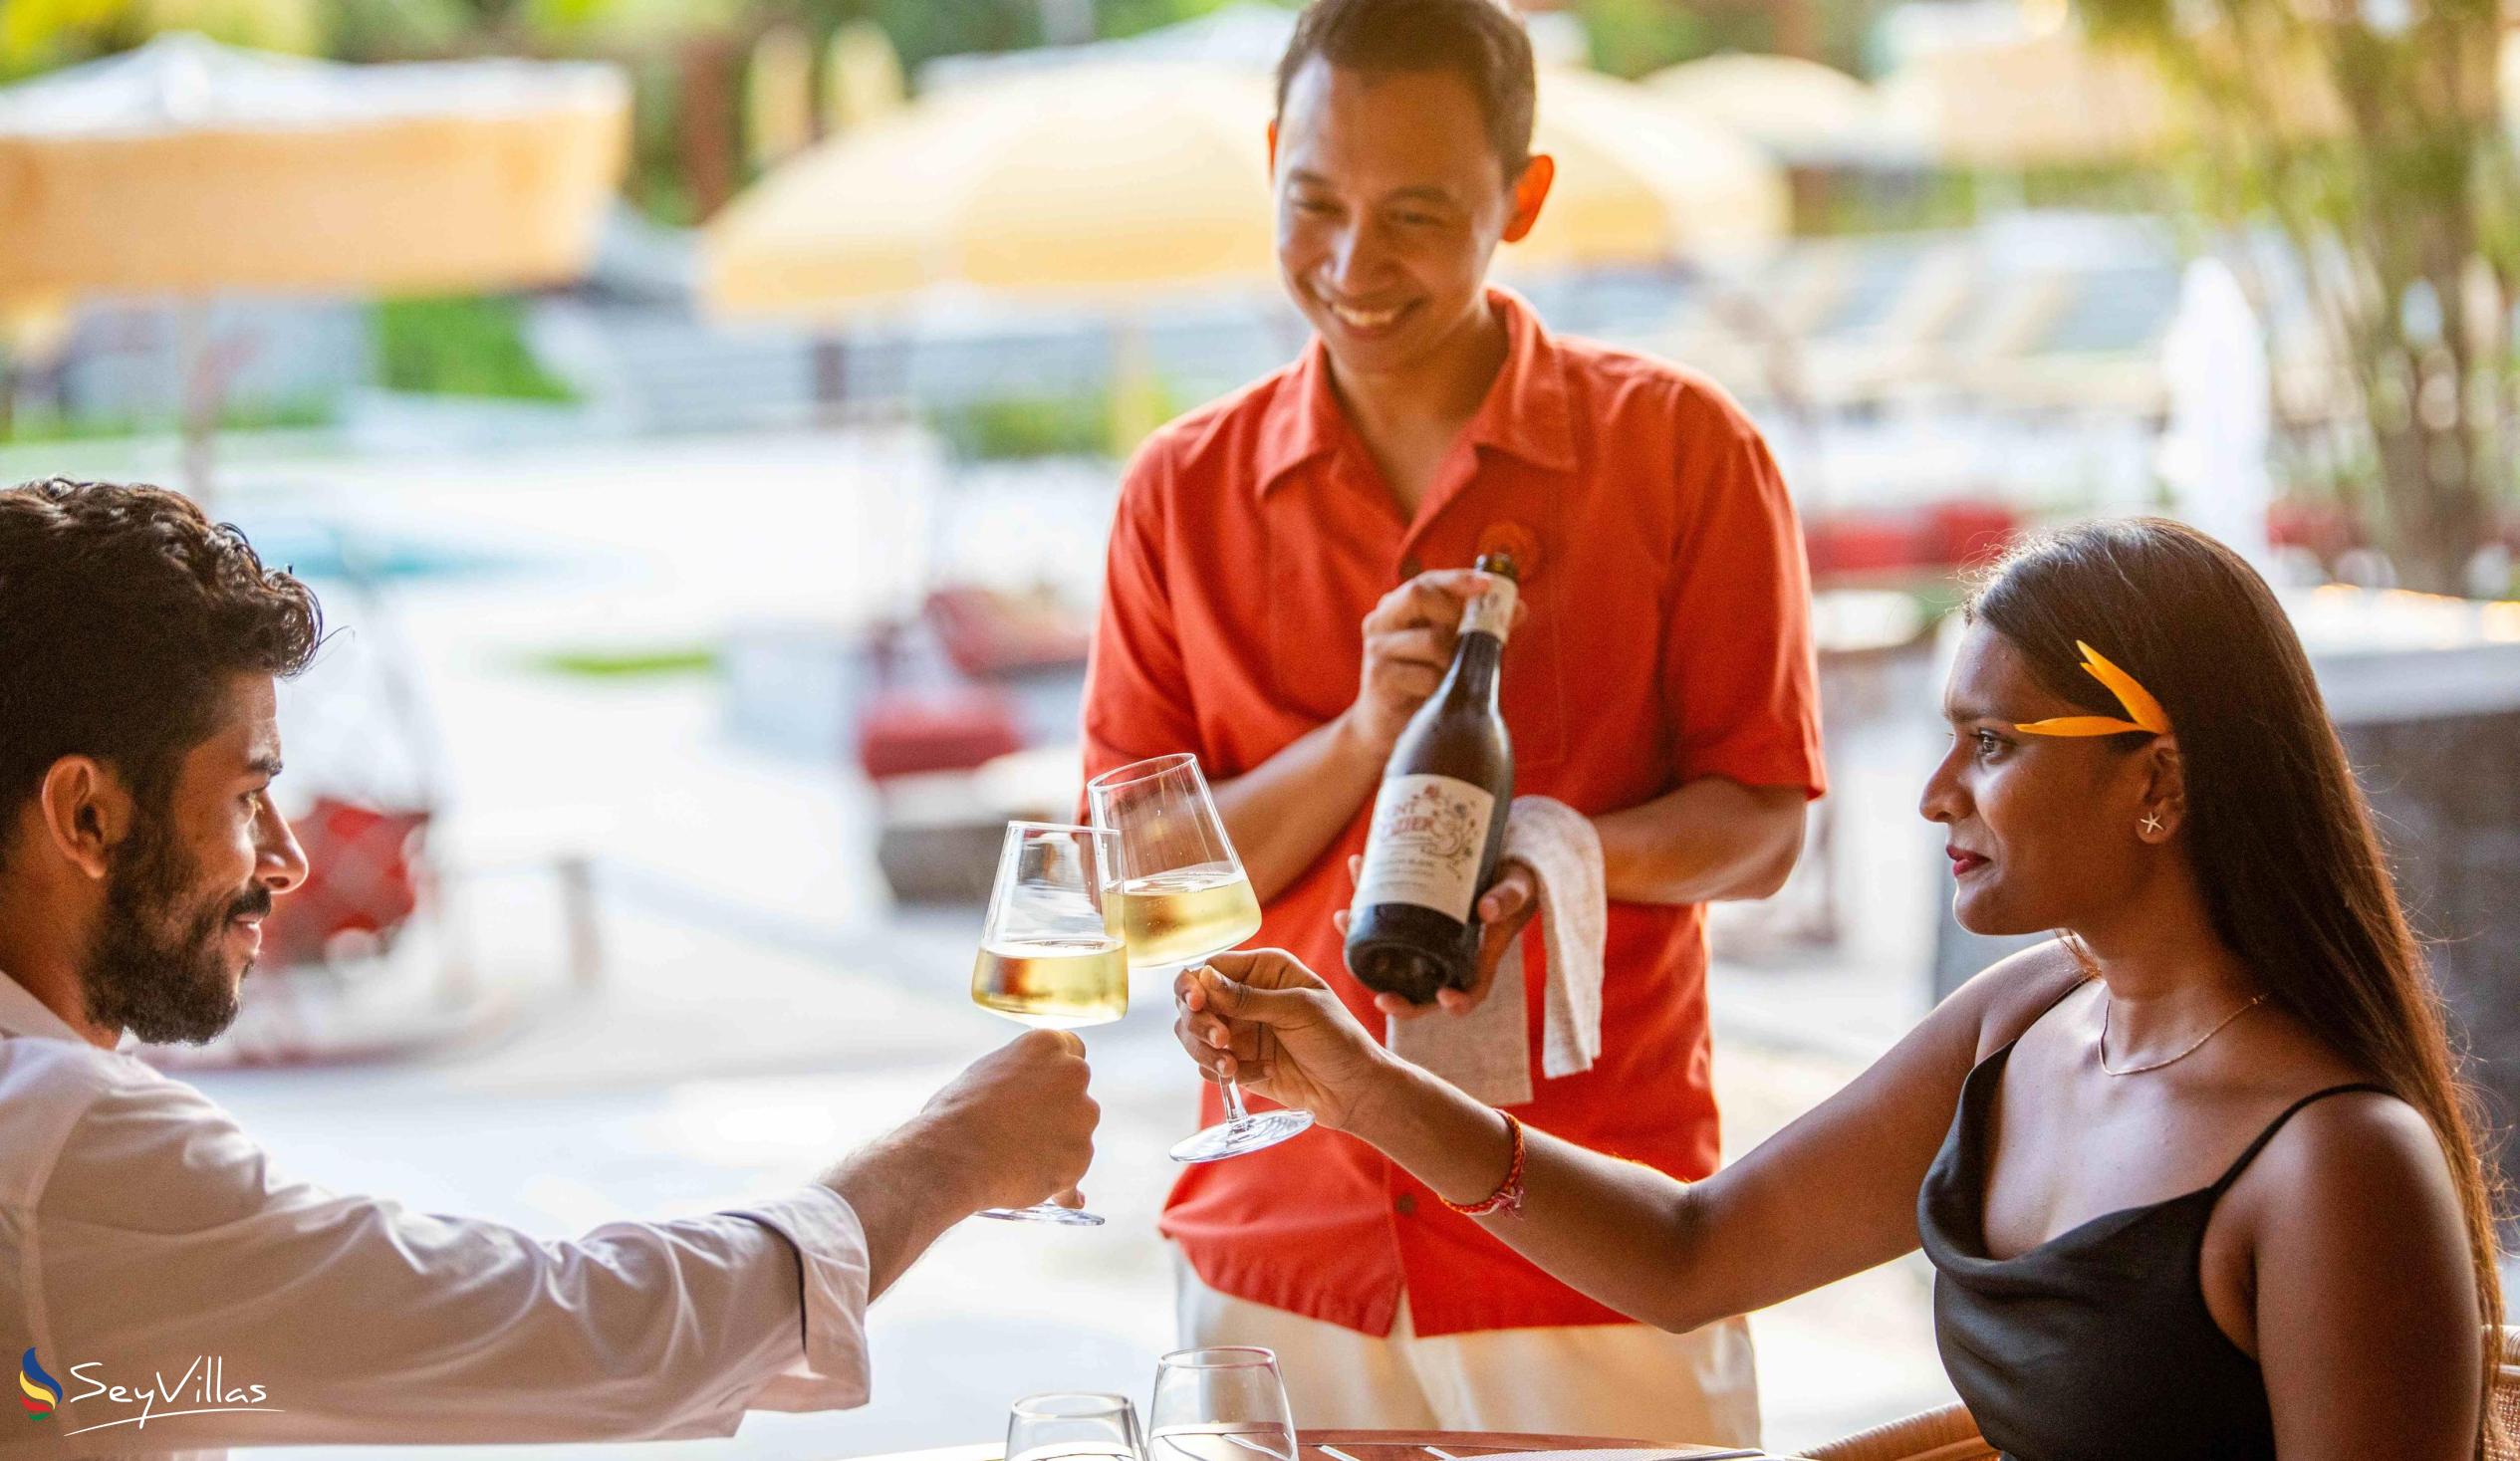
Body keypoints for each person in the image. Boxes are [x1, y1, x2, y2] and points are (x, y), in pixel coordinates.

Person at [1173, 517, 2507, 1460]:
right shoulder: (2025, 1018)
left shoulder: (2334, 1164)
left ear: (2156, 781)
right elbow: (1691, 1253)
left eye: (1990, 742)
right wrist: (1355, 1082)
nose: (1933, 795)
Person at [0, 479, 1100, 1454]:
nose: (285, 861)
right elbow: (587, 1336)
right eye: (247, 797)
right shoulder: (70, 1152)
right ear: (87, 814)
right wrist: (953, 1156)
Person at [1081, 0, 1821, 1440]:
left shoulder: (1682, 451)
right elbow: (1134, 889)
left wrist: (1553, 858)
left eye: (1417, 213)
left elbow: (1764, 823)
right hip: (1272, 1239)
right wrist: (1361, 736)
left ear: (1522, 198)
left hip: (1594, 1231)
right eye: (1315, 203)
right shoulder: (1178, 493)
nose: (1354, 265)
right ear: (1274, 158)